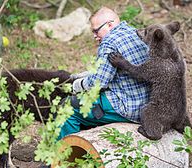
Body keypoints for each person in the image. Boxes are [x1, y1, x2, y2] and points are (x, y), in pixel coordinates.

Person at [58, 6, 150, 140]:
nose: (95, 36)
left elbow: (99, 82)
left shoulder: (109, 42)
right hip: (148, 105)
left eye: (96, 31)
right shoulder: (135, 32)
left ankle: (60, 157)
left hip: (129, 107)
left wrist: (75, 85)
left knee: (68, 107)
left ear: (110, 25)